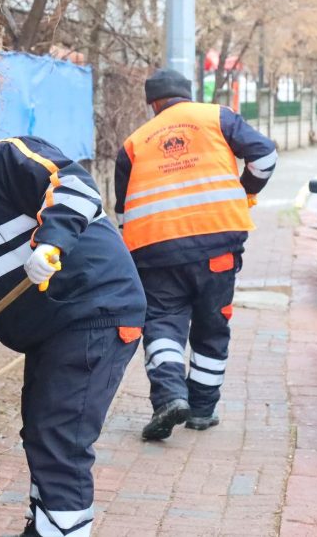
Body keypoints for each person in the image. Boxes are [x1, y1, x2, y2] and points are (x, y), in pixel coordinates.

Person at [0, 88, 146, 537]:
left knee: (62, 439)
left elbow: (74, 185)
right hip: (55, 328)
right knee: (41, 431)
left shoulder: (7, 156)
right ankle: (45, 527)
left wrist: (52, 242)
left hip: (94, 311)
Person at [114, 69, 277, 440]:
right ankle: (202, 410)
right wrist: (244, 191)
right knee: (211, 326)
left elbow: (123, 214)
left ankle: (170, 396)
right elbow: (265, 157)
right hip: (217, 246)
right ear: (188, 96)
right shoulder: (217, 117)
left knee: (162, 324)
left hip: (155, 253)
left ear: (152, 104)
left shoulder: (134, 143)